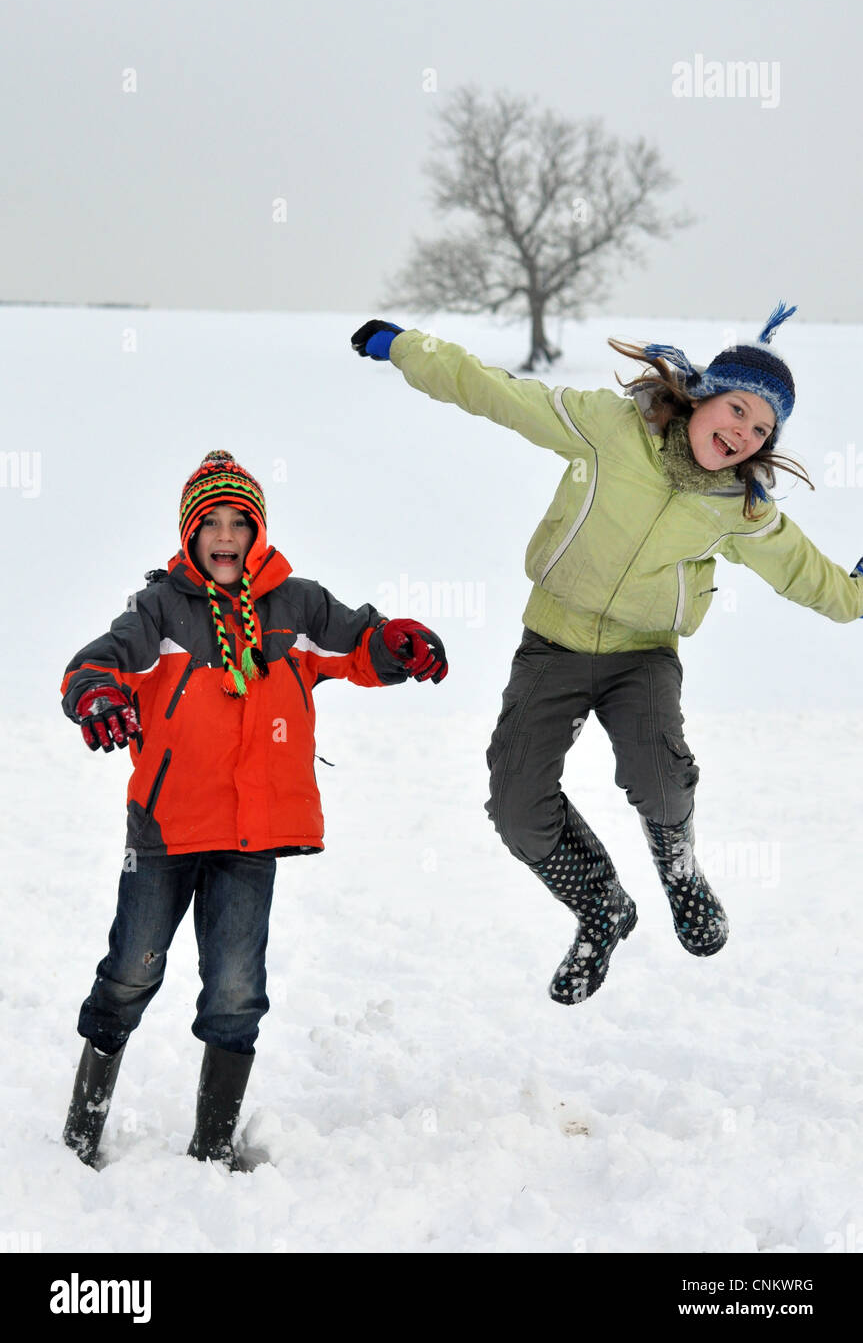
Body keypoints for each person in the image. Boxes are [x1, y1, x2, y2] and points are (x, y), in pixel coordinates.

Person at [351, 305, 863, 1005]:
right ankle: (600, 906)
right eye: (736, 408)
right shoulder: (608, 428)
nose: (741, 432)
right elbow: (497, 392)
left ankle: (679, 872)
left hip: (642, 657)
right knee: (514, 805)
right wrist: (407, 347)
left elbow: (809, 576)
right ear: (702, 394)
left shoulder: (741, 507)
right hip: (551, 646)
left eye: (760, 429)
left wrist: (857, 593)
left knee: (657, 773)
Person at [60, 450, 447, 1170]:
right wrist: (97, 694)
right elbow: (100, 660)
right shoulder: (161, 609)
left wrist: (396, 643)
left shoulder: (295, 605)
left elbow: (360, 645)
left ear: (260, 529)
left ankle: (210, 1146)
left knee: (237, 991)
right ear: (190, 531)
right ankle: (82, 1130)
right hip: (165, 829)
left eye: (241, 520)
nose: (227, 534)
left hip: (250, 835)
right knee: (131, 972)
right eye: (212, 521)